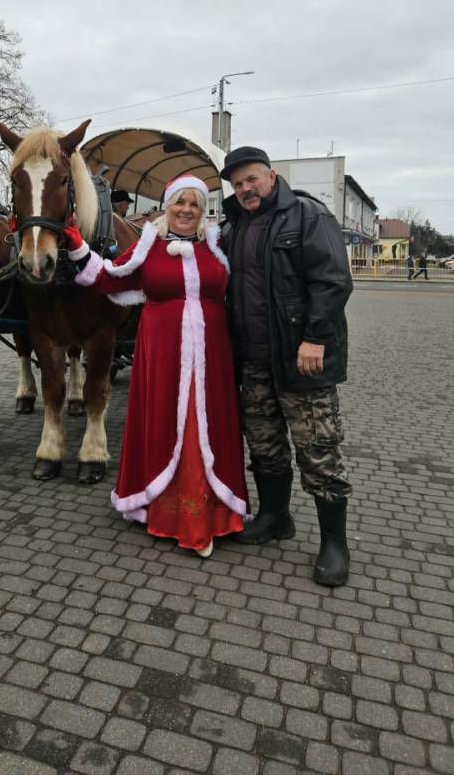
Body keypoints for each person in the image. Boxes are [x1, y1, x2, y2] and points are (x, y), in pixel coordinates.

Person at [63, 175, 248, 557]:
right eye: (180, 202)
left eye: (194, 204)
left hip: (212, 355)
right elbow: (109, 277)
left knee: (206, 425)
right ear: (167, 206)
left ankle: (210, 513)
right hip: (162, 353)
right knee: (164, 421)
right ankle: (164, 510)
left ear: (203, 211)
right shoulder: (148, 244)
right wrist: (78, 247)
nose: (186, 210)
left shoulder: (217, 245)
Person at [220, 146, 353, 586]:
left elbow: (333, 281)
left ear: (271, 177)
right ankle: (276, 517)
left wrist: (315, 338)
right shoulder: (232, 226)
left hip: (301, 360)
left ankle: (334, 543)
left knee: (318, 450)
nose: (245, 189)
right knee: (265, 446)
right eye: (237, 184)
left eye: (251, 179)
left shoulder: (308, 216)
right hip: (253, 363)